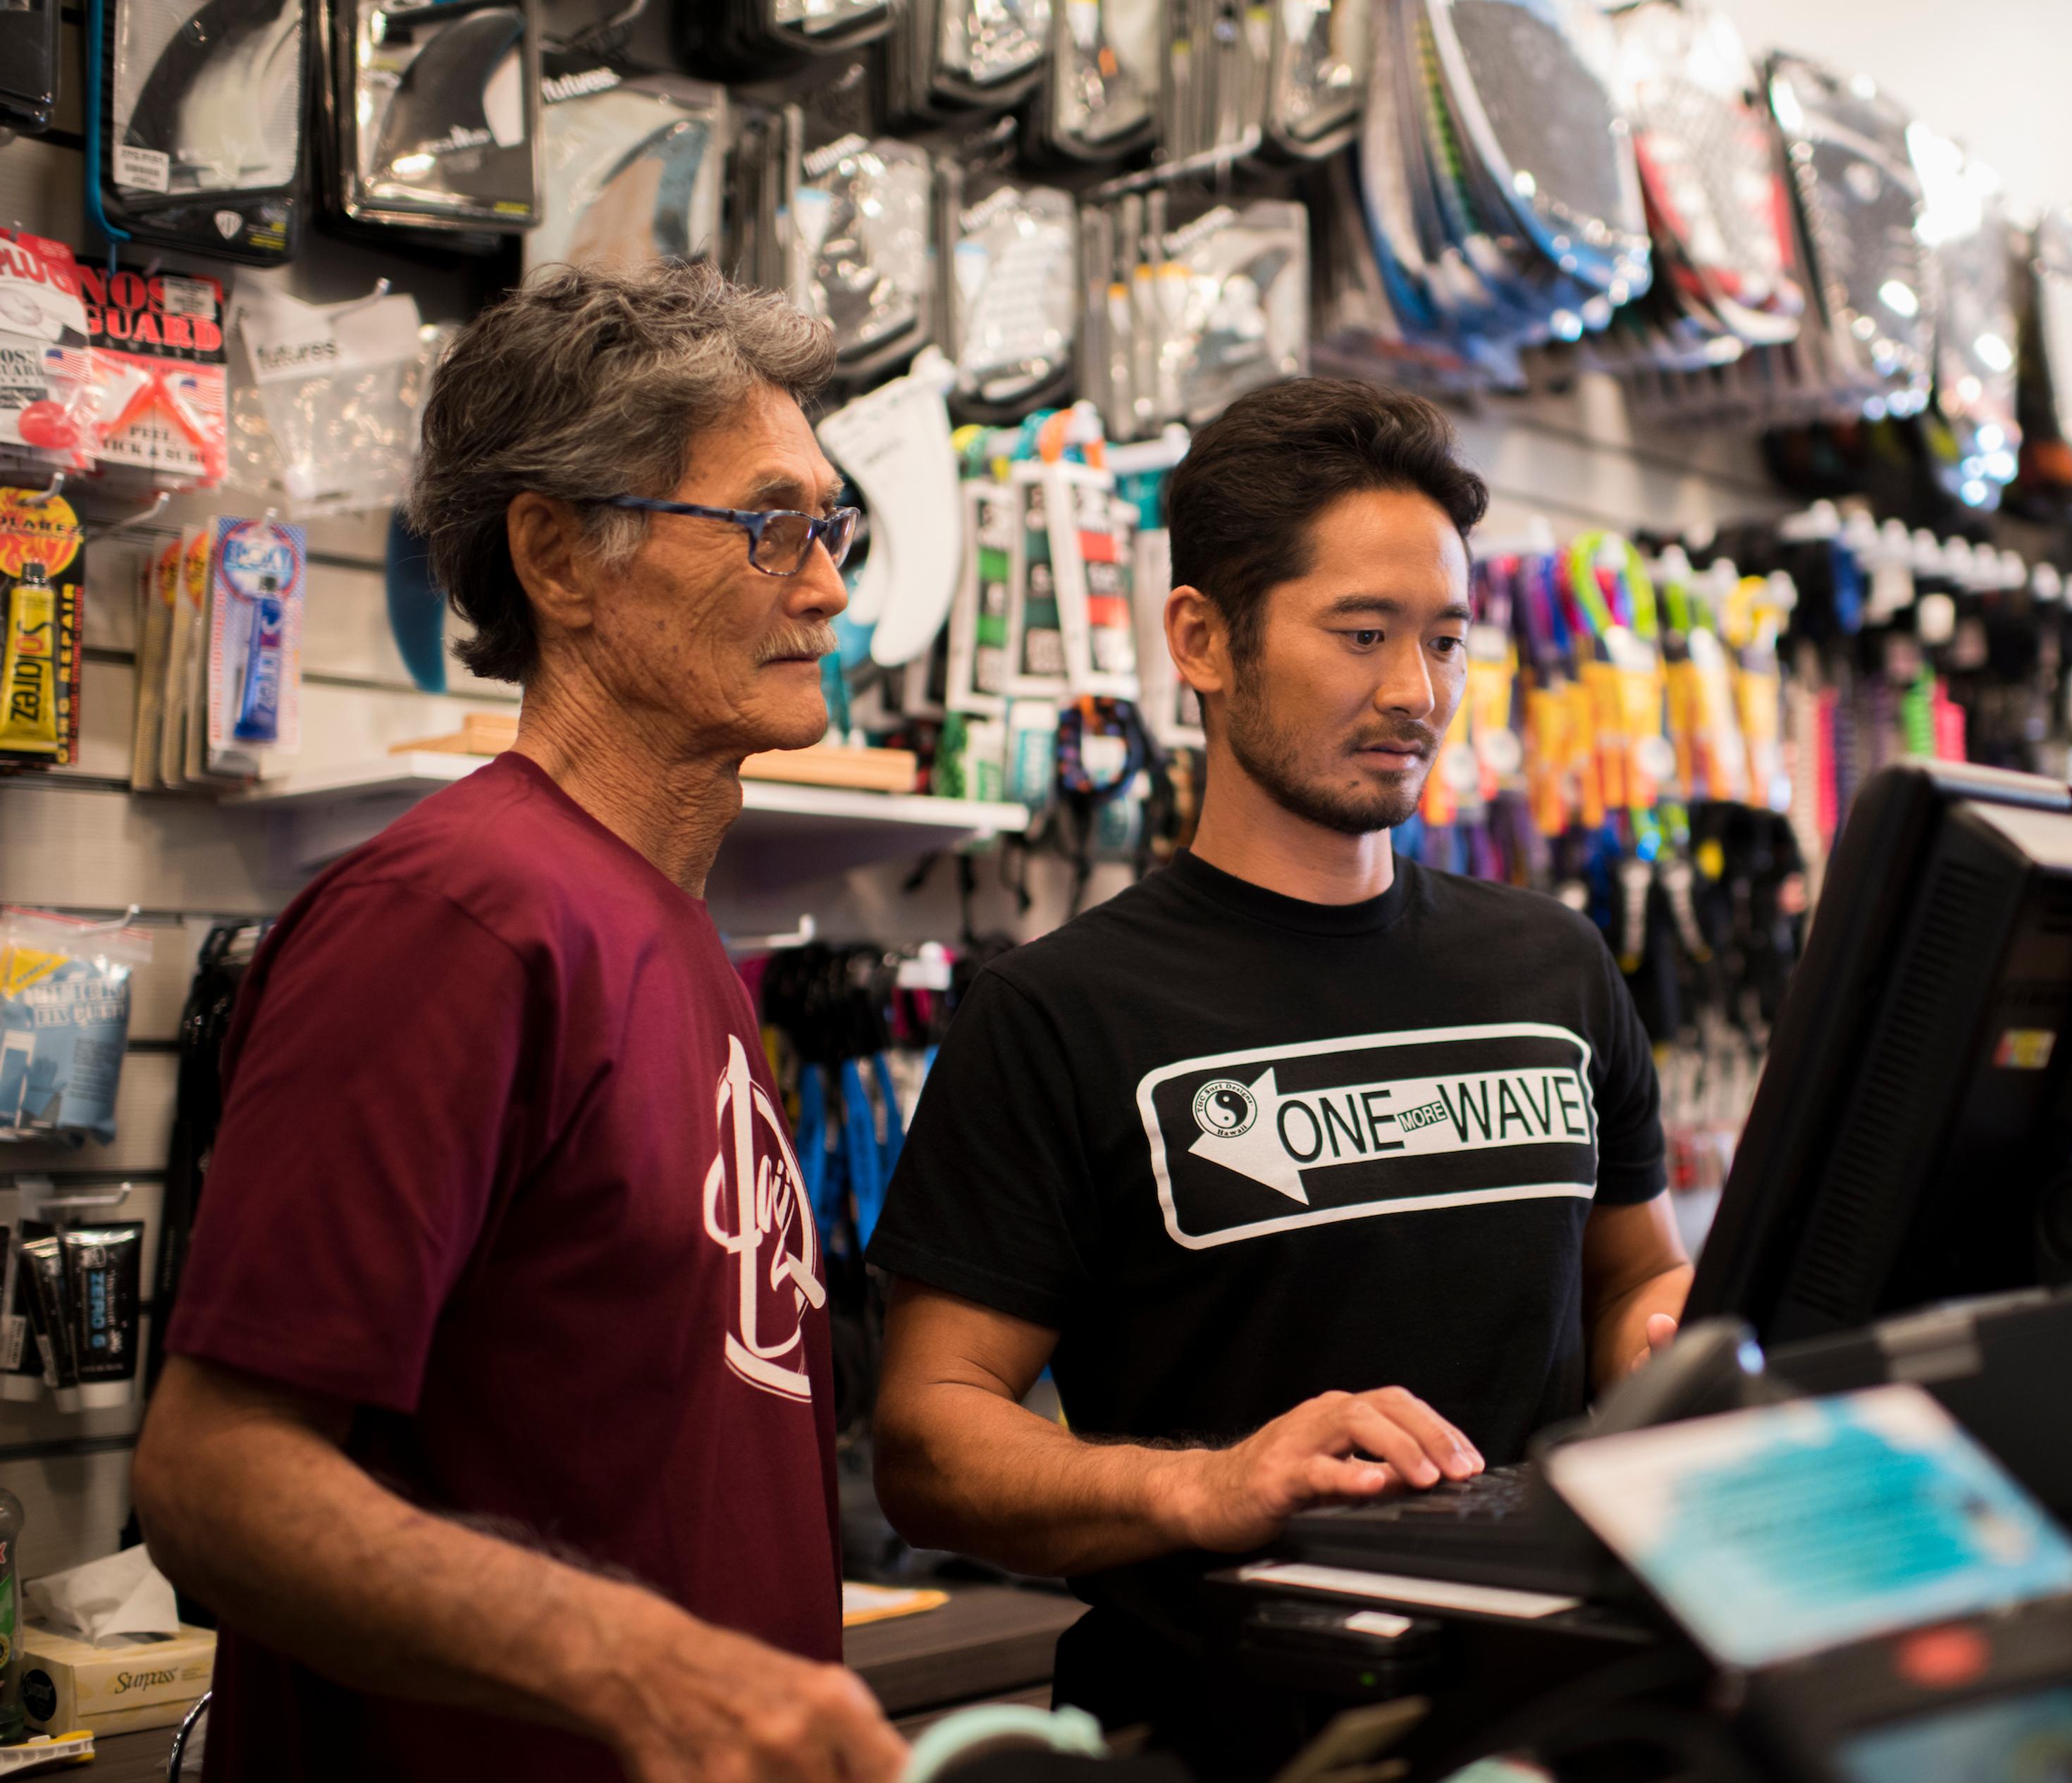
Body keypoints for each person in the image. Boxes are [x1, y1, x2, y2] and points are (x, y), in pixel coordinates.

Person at [131, 263, 909, 1783]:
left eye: (831, 528)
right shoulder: (462, 921)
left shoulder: (671, 939)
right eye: (767, 526)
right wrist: (638, 1663)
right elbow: (213, 1480)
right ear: (559, 558)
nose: (824, 584)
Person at [868, 377, 1691, 1775]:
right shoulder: (1058, 1012)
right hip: (1218, 1732)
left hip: (1552, 1718)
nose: (1416, 693)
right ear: (1202, 638)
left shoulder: (1556, 969)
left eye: (1443, 639)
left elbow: (1630, 1280)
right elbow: (930, 1442)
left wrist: (1677, 1351)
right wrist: (1209, 1484)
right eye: (1361, 635)